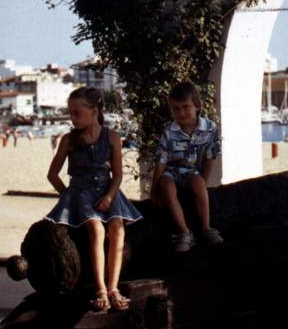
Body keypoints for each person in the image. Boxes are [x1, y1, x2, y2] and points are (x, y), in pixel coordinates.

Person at [45, 87, 142, 311]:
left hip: (107, 190)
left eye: (77, 112)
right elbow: (52, 175)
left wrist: (109, 196)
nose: (72, 117)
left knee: (117, 227)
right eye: (70, 112)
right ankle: (100, 289)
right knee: (97, 229)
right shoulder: (69, 140)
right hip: (80, 192)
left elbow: (118, 174)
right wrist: (68, 198)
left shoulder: (112, 137)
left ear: (94, 110)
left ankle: (114, 288)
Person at [151, 82, 224, 253]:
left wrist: (203, 182)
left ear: (196, 106)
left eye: (186, 107)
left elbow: (210, 157)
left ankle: (206, 228)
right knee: (167, 187)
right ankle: (184, 232)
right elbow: (161, 161)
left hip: (192, 171)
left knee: (198, 183)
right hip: (171, 171)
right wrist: (154, 190)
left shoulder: (210, 128)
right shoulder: (169, 131)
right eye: (176, 109)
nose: (181, 113)